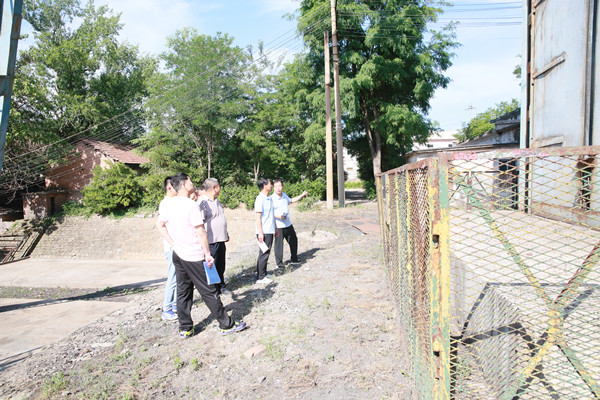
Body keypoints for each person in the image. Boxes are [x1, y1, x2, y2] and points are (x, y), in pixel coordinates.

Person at [156, 173, 247, 338]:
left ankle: (185, 328)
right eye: (189, 180)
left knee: (183, 292)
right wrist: (207, 254)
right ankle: (226, 325)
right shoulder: (190, 205)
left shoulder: (170, 204)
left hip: (178, 254)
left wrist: (173, 243)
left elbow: (160, 225)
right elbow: (200, 231)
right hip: (193, 255)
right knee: (209, 291)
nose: (192, 182)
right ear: (184, 185)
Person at [199, 178, 231, 295]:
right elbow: (199, 224)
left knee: (221, 265)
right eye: (219, 186)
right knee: (213, 266)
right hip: (211, 241)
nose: (220, 189)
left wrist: (225, 232)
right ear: (214, 188)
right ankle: (213, 290)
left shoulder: (216, 201)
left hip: (220, 238)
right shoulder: (202, 203)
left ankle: (221, 286)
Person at [272, 179, 308, 268]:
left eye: (280, 186)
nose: (278, 188)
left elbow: (291, 201)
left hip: (288, 224)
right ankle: (279, 264)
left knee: (293, 240)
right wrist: (279, 216)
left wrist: (302, 195)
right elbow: (269, 213)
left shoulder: (284, 195)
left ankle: (294, 259)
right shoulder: (271, 199)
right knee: (279, 245)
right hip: (278, 225)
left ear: (282, 187)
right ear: (273, 188)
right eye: (276, 186)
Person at [159, 176, 178, 321]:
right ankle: (167, 308)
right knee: (173, 277)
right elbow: (161, 226)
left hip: (177, 246)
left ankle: (176, 305)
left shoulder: (174, 202)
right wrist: (172, 243)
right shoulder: (166, 204)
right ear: (169, 188)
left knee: (179, 277)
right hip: (172, 247)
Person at [254, 177, 277, 284]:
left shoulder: (269, 199)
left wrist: (275, 228)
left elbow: (271, 215)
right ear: (264, 186)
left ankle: (263, 272)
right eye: (270, 183)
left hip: (270, 230)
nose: (271, 185)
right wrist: (260, 233)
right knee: (264, 253)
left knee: (266, 252)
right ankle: (260, 277)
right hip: (263, 231)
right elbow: (258, 217)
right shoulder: (260, 199)